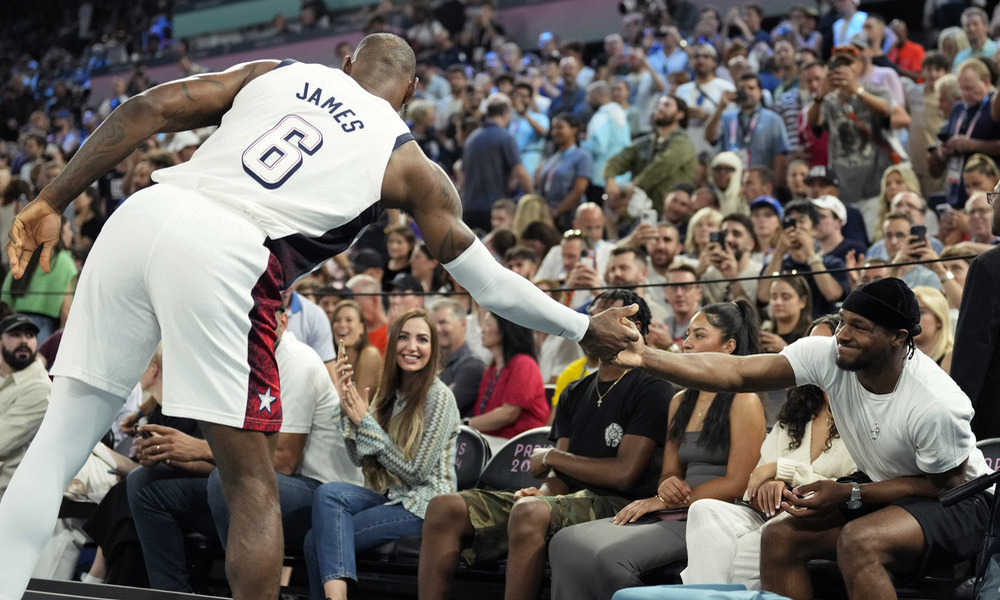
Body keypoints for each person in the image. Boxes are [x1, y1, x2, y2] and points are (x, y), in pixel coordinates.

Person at [0, 33, 637, 600]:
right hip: (229, 252)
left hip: (144, 213)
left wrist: (51, 198)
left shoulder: (276, 69)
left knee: (56, 447)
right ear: (411, 91)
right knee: (250, 487)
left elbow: (150, 107)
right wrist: (584, 325)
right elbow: (490, 282)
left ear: (348, 61)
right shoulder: (409, 165)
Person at [606, 277, 991, 600]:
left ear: (897, 337)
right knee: (780, 536)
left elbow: (944, 485)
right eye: (843, 322)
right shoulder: (828, 357)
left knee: (860, 541)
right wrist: (647, 357)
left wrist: (850, 494)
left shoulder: (935, 402)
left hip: (960, 500)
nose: (843, 335)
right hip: (888, 486)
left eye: (860, 326)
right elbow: (737, 373)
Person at [418, 290, 671, 600]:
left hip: (622, 505)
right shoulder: (574, 391)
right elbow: (558, 477)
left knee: (530, 513)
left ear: (636, 326)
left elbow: (623, 475)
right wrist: (544, 492)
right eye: (592, 317)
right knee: (445, 506)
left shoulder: (652, 386)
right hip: (570, 500)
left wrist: (551, 457)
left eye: (607, 318)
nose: (593, 325)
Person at [547, 299, 766, 600]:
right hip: (676, 509)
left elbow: (739, 483)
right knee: (564, 541)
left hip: (718, 515)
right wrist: (667, 488)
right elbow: (670, 473)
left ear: (729, 346)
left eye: (699, 336)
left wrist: (664, 501)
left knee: (608, 557)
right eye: (687, 334)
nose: (686, 344)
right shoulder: (680, 401)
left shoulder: (745, 400)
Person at [683, 321, 856, 590]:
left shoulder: (863, 414)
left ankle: (702, 593)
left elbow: (846, 484)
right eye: (810, 346)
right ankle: (707, 593)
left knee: (733, 560)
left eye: (826, 346)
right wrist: (768, 483)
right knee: (704, 509)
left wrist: (782, 472)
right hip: (768, 512)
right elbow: (759, 476)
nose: (817, 355)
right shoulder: (797, 409)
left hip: (818, 519)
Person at [304, 308, 457, 600]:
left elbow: (417, 473)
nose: (412, 346)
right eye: (404, 338)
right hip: (390, 497)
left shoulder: (440, 397)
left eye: (422, 339)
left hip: (425, 506)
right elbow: (361, 459)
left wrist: (366, 423)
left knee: (316, 542)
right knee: (328, 494)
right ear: (393, 345)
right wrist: (348, 410)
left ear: (432, 348)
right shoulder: (390, 393)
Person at [951, 181, 1000, 440]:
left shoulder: (988, 267)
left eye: (995, 197)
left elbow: (971, 356)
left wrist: (956, 422)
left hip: (991, 427)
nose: (993, 205)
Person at [468, 311, 549, 450]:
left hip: (518, 447)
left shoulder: (524, 364)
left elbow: (509, 414)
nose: (483, 330)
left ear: (505, 329)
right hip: (491, 441)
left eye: (488, 324)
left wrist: (465, 425)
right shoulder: (490, 370)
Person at [0, 314, 49, 500]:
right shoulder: (5, 378)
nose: (24, 341)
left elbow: (1, 443)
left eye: (29, 335)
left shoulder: (39, 388)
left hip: (11, 493)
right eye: (15, 335)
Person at [429, 297, 485, 417]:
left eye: (443, 322)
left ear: (463, 324)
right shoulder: (432, 363)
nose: (437, 329)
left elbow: (442, 412)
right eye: (433, 324)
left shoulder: (473, 366)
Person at [537, 113, 592, 230]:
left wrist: (557, 212)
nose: (555, 132)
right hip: (549, 216)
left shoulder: (582, 156)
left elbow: (578, 190)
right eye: (553, 128)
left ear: (574, 130)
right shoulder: (553, 157)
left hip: (570, 217)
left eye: (560, 127)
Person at [331, 300, 383, 398]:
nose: (342, 325)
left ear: (361, 327)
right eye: (337, 320)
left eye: (349, 320)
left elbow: (360, 406)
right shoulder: (331, 359)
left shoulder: (370, 355)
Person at [912, 286, 954, 371]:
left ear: (939, 320)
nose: (913, 317)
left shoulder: (951, 360)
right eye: (910, 312)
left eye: (921, 312)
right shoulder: (901, 359)